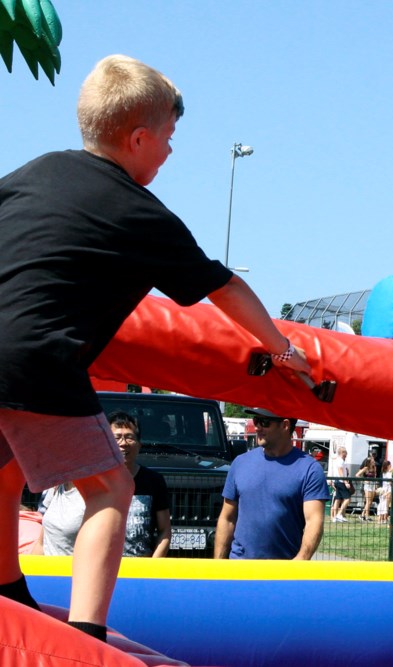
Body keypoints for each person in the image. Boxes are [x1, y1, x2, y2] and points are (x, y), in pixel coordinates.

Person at [0, 54, 311, 641]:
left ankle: (5, 590)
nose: (170, 151)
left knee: (6, 468)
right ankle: (87, 636)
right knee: (111, 488)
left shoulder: (33, 172)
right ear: (138, 138)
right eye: (168, 137)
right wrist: (281, 346)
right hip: (35, 355)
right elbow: (225, 287)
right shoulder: (140, 213)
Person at [33, 411, 172, 558]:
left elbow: (164, 530)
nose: (123, 443)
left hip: (141, 570)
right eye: (117, 437)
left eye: (129, 437)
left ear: (139, 444)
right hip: (103, 565)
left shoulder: (153, 480)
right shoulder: (93, 481)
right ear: (107, 444)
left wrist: (152, 566)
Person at [214, 408, 328, 560]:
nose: (257, 427)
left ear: (285, 425)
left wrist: (299, 562)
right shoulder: (240, 463)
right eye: (256, 421)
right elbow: (227, 519)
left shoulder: (309, 469)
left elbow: (314, 521)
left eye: (264, 422)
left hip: (283, 570)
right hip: (240, 567)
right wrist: (218, 565)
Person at [330, 446, 353, 523]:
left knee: (338, 499)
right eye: (345, 452)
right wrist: (345, 481)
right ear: (342, 453)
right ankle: (339, 515)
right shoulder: (340, 461)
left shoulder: (339, 460)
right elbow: (340, 471)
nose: (346, 454)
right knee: (348, 498)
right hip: (341, 481)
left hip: (337, 481)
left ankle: (334, 517)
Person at [357, 456, 378, 522]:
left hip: (372, 485)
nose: (374, 461)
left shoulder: (374, 468)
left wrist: (375, 485)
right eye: (372, 461)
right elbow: (357, 475)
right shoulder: (366, 468)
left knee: (370, 502)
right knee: (368, 501)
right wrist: (364, 480)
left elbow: (375, 477)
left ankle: (363, 515)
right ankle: (367, 516)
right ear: (369, 462)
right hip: (367, 485)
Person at [377, 460, 393, 524]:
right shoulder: (389, 473)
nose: (391, 466)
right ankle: (385, 519)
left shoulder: (384, 473)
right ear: (388, 466)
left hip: (383, 489)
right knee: (386, 505)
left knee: (382, 504)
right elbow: (390, 482)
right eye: (390, 465)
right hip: (388, 490)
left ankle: (381, 518)